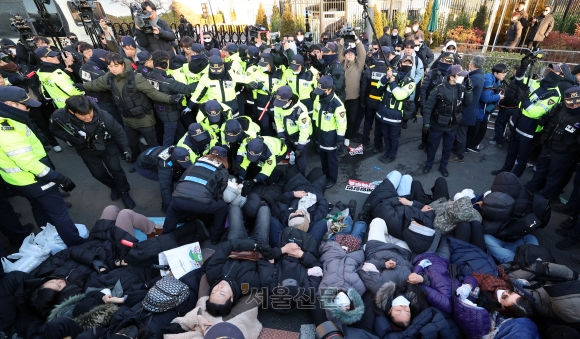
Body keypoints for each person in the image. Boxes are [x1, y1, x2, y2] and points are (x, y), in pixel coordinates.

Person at [0, 86, 83, 247]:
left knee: (38, 206)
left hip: (17, 181)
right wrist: (58, 177)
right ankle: (78, 245)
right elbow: (27, 162)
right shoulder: (8, 129)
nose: (29, 109)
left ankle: (49, 237)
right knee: (60, 214)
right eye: (25, 105)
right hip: (35, 180)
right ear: (10, 104)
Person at [82, 53, 183, 167]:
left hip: (144, 118)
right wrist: (83, 86)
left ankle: (158, 164)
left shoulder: (136, 78)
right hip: (127, 119)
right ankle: (136, 163)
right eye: (110, 66)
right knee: (132, 144)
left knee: (153, 144)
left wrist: (170, 99)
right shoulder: (109, 77)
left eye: (116, 65)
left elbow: (153, 93)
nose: (113, 69)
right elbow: (95, 84)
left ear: (123, 65)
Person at [49, 95, 135, 208]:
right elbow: (54, 130)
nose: (89, 117)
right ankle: (113, 186)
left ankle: (124, 191)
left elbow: (118, 131)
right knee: (97, 173)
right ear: (71, 111)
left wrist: (126, 149)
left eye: (90, 113)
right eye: (83, 115)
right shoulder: (59, 116)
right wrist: (71, 138)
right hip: (85, 150)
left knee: (116, 169)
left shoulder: (103, 115)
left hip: (106, 146)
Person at [492, 58, 563, 177]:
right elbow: (519, 81)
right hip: (518, 121)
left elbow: (536, 112)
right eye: (551, 69)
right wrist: (523, 68)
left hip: (530, 128)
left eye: (554, 71)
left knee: (522, 156)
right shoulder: (539, 83)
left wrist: (524, 100)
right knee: (511, 151)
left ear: (561, 75)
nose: (550, 71)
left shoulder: (555, 94)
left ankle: (513, 179)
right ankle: (504, 171)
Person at [523, 87, 580, 203]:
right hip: (547, 147)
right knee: (540, 171)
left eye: (573, 104)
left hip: (564, 154)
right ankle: (530, 189)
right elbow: (546, 120)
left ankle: (542, 198)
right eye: (568, 103)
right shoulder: (559, 107)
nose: (569, 106)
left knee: (553, 178)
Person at [163, 146, 229, 242]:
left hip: (178, 199)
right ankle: (215, 238)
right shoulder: (222, 170)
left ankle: (166, 235)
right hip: (201, 204)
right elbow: (219, 194)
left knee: (173, 210)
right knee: (222, 207)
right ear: (224, 158)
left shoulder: (195, 163)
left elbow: (182, 179)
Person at [422, 65, 473, 177]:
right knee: (432, 147)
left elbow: (467, 103)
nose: (462, 78)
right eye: (460, 75)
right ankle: (429, 164)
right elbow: (428, 107)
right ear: (451, 77)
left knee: (447, 148)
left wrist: (469, 91)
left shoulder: (461, 88)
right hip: (437, 125)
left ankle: (443, 166)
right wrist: (426, 122)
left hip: (452, 126)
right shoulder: (438, 89)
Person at [143, 50, 196, 147]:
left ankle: (178, 149)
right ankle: (164, 157)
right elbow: (187, 89)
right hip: (170, 114)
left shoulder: (150, 75)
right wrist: (202, 81)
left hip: (160, 111)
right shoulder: (167, 82)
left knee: (180, 132)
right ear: (164, 64)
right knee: (168, 138)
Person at [375, 56, 416, 163]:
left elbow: (400, 95)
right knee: (386, 136)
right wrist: (386, 77)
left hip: (395, 116)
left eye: (409, 64)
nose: (406, 65)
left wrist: (392, 81)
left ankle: (391, 156)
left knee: (394, 138)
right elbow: (379, 86)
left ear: (412, 66)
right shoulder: (392, 74)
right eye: (405, 63)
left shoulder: (411, 82)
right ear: (400, 64)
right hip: (383, 113)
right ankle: (386, 153)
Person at [312, 76, 347, 188]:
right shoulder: (319, 98)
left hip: (330, 136)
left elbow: (342, 124)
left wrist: (340, 140)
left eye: (322, 91)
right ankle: (325, 174)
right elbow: (315, 114)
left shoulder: (337, 105)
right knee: (323, 157)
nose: (319, 93)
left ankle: (332, 178)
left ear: (330, 89)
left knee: (331, 159)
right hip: (320, 133)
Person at [135, 146, 191, 213]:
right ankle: (165, 208)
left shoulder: (178, 151)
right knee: (169, 182)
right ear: (174, 160)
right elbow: (165, 188)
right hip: (143, 167)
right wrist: (170, 208)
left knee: (176, 174)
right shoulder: (165, 166)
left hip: (148, 155)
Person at [450, 55, 484, 163]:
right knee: (461, 132)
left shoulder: (474, 78)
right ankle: (457, 150)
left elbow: (464, 91)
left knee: (461, 132)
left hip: (466, 109)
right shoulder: (479, 75)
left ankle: (460, 155)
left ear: (472, 64)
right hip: (470, 109)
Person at [419, 52, 456, 151]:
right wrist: (423, 105)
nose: (448, 63)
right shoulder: (432, 73)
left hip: (441, 108)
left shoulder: (452, 76)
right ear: (441, 60)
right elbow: (423, 90)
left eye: (450, 62)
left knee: (435, 129)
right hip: (429, 105)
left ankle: (430, 145)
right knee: (425, 126)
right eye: (446, 61)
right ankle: (424, 141)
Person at [466, 63, 507, 153]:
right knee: (475, 131)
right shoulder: (488, 80)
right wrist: (498, 97)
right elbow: (485, 98)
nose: (505, 75)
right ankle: (467, 147)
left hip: (482, 110)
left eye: (505, 73)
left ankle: (470, 146)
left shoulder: (495, 80)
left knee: (480, 130)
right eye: (503, 73)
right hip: (478, 109)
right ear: (495, 73)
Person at [357, 45, 391, 150]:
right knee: (379, 125)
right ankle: (377, 146)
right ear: (388, 56)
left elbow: (363, 87)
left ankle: (365, 141)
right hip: (383, 103)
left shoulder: (370, 69)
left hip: (370, 101)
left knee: (368, 122)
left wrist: (363, 101)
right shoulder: (390, 71)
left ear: (378, 55)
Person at [186, 55, 240, 120]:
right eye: (214, 70)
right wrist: (190, 106)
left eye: (219, 69)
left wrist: (252, 82)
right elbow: (198, 93)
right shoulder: (205, 78)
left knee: (234, 124)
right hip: (216, 107)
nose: (216, 72)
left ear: (223, 66)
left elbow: (243, 78)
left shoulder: (231, 73)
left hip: (232, 105)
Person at [273, 86, 311, 175]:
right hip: (288, 134)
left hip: (301, 136)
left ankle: (300, 176)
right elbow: (278, 119)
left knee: (301, 158)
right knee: (291, 153)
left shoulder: (300, 111)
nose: (279, 105)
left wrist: (300, 148)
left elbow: (304, 131)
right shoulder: (278, 104)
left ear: (289, 101)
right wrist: (281, 135)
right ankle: (291, 170)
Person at [337, 37, 366, 155]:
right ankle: (339, 139)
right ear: (344, 56)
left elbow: (362, 53)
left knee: (351, 120)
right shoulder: (341, 64)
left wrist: (357, 41)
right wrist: (342, 41)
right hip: (341, 99)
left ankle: (347, 139)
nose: (349, 55)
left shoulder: (358, 66)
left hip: (354, 99)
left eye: (352, 54)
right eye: (347, 53)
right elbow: (339, 51)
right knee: (340, 121)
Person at [245, 52, 283, 135]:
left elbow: (283, 83)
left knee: (279, 125)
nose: (262, 67)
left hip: (275, 102)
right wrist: (251, 85)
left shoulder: (279, 71)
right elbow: (246, 80)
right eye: (261, 64)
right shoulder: (254, 70)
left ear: (271, 64)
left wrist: (278, 91)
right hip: (261, 103)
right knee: (264, 125)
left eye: (265, 65)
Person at [490, 65, 527, 148]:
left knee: (500, 123)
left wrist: (503, 102)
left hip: (508, 107)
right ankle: (500, 138)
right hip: (516, 107)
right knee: (507, 124)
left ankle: (498, 141)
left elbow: (509, 96)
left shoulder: (514, 82)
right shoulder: (524, 82)